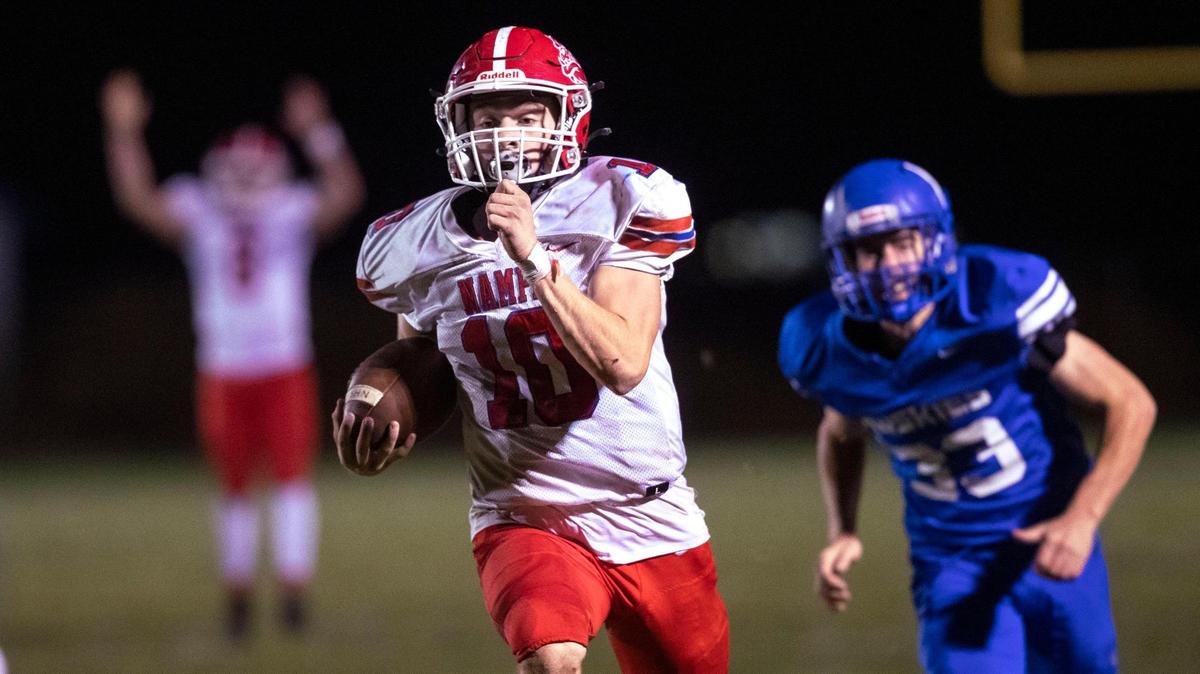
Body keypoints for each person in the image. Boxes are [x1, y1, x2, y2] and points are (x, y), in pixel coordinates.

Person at [335, 26, 729, 673]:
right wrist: (382, 430)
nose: (504, 136)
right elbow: (426, 372)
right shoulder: (416, 242)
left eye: (524, 117)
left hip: (649, 509)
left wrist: (535, 260)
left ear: (566, 120)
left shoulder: (622, 199)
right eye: (487, 118)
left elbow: (624, 363)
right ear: (456, 125)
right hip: (524, 512)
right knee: (550, 661)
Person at [778, 159, 1156, 672]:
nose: (887, 265)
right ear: (841, 261)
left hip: (1049, 536)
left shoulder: (996, 300)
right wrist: (842, 529)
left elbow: (1130, 401)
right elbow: (841, 432)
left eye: (902, 242)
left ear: (935, 240)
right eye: (868, 250)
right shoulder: (829, 349)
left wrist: (1082, 516)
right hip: (951, 560)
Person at [100, 69, 365, 639]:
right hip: (224, 370)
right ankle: (239, 596)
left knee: (292, 481)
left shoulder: (289, 209)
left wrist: (320, 130)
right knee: (235, 487)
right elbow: (136, 199)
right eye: (236, 170)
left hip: (283, 365)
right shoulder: (199, 209)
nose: (244, 180)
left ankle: (293, 595)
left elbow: (345, 194)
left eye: (254, 169)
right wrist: (122, 133)